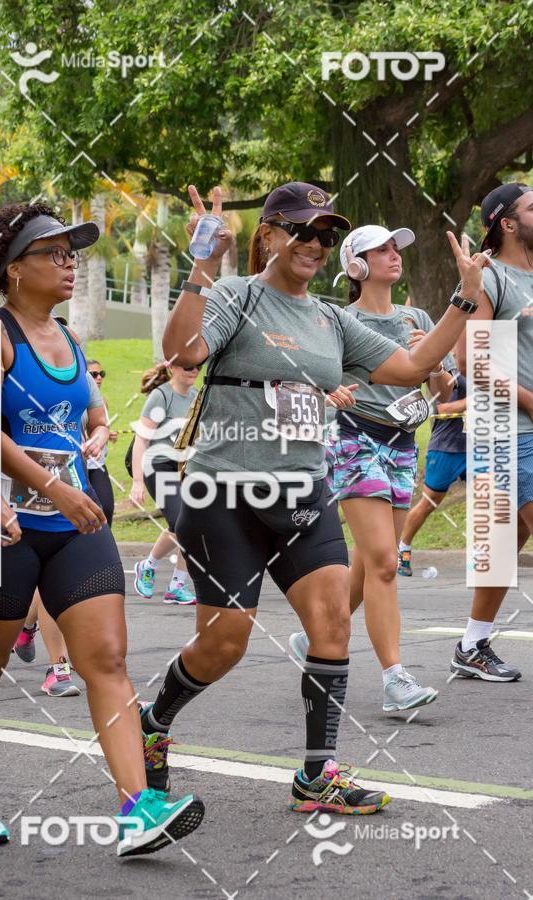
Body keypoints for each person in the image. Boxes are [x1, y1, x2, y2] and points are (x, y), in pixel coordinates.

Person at [138, 181, 483, 816]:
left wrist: (464, 297)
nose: (315, 244)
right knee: (225, 644)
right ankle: (152, 723)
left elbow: (410, 367)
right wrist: (204, 264)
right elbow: (182, 352)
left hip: (303, 488)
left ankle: (316, 774)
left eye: (326, 235)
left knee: (330, 622)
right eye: (301, 230)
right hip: (225, 492)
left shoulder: (331, 319)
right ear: (268, 234)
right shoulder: (237, 296)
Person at [0, 202, 204, 855]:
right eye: (53, 253)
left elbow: (85, 415)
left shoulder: (73, 341)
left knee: (107, 660)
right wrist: (49, 483)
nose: (68, 264)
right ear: (14, 268)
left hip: (74, 524)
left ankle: (137, 807)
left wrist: (93, 444)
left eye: (71, 254)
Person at [288, 224, 456, 712]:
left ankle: (314, 637)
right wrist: (328, 391)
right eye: (380, 249)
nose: (392, 255)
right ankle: (394, 680)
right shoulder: (337, 321)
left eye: (395, 248)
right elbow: (308, 378)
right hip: (353, 438)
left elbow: (442, 392)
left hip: (403, 443)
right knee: (385, 560)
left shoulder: (416, 317)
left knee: (370, 563)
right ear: (355, 266)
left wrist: (438, 367)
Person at [451, 182, 533, 682]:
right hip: (508, 429)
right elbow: (471, 362)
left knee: (503, 545)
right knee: (502, 543)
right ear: (507, 222)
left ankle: (471, 644)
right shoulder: (490, 277)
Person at [12, 355, 110, 697]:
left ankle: (59, 666)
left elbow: (100, 421)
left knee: (57, 582)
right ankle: (25, 626)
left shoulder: (76, 364)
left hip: (78, 485)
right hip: (1, 498)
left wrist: (99, 436)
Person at [130, 361, 199, 606]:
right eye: (187, 367)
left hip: (184, 468)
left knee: (191, 525)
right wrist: (138, 481)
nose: (194, 371)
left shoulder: (196, 396)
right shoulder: (161, 396)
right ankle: (148, 566)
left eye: (197, 366)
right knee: (181, 522)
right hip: (157, 466)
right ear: (172, 369)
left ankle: (177, 585)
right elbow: (141, 441)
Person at [398, 333, 467, 576]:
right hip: (446, 447)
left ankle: (483, 556)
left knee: (490, 500)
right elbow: (443, 407)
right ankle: (403, 548)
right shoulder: (450, 373)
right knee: (429, 502)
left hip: (476, 447)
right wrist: (480, 400)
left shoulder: (483, 371)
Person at [85, 359, 117, 527]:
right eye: (94, 374)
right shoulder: (79, 398)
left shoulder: (102, 401)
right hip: (80, 465)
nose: (98, 378)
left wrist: (106, 434)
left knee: (107, 508)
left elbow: (99, 426)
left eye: (101, 374)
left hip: (98, 463)